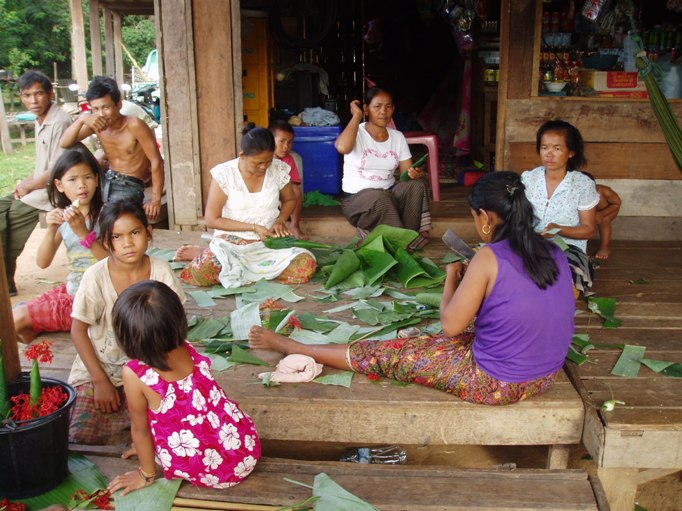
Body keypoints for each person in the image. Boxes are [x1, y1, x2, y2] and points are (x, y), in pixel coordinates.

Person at [249, 171, 576, 405]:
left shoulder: (488, 257)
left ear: (485, 217)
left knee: (390, 354)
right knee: (458, 333)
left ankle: (294, 346)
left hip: (496, 383)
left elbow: (450, 327)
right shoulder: (553, 251)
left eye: (475, 218)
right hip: (545, 376)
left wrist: (452, 277)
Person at [107, 281, 261, 495]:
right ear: (179, 321)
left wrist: (146, 473)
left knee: (147, 424)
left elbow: (140, 430)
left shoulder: (135, 374)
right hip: (242, 445)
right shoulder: (184, 346)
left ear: (125, 337)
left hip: (213, 469)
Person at [68, 200, 186, 445]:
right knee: (80, 434)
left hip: (152, 369)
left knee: (177, 421)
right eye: (117, 237)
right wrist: (100, 381)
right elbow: (78, 330)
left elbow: (175, 327)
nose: (128, 243)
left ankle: (139, 433)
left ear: (149, 232)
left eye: (135, 232)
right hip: (102, 370)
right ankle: (135, 429)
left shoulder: (161, 271)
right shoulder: (96, 277)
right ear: (105, 241)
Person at [175, 125, 317, 287]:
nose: (263, 167)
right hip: (231, 243)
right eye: (257, 163)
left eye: (268, 161)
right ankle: (211, 254)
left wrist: (280, 220)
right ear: (242, 155)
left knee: (306, 264)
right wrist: (254, 227)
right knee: (202, 272)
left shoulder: (278, 169)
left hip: (267, 242)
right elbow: (212, 220)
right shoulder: (225, 174)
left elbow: (290, 200)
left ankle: (237, 267)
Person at [13, 146, 107, 344]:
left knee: (16, 319)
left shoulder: (107, 216)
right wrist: (51, 229)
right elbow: (42, 262)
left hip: (91, 301)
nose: (81, 185)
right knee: (19, 319)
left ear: (97, 179)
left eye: (87, 177)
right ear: (59, 185)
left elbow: (114, 263)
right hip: (72, 290)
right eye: (72, 179)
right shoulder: (64, 218)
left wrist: (84, 233)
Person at [0, 70, 72, 296]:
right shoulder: (41, 120)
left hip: (53, 192)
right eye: (27, 95)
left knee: (10, 218)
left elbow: (57, 170)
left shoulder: (59, 121)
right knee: (1, 207)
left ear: (50, 93)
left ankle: (6, 283)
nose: (33, 100)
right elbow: (41, 167)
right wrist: (24, 183)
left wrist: (29, 186)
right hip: (39, 188)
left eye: (38, 94)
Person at [335, 87, 431, 250]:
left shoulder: (397, 137)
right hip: (358, 202)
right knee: (380, 198)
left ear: (393, 109)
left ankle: (404, 235)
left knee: (417, 185)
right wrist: (356, 116)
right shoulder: (356, 132)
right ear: (366, 109)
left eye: (388, 107)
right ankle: (402, 243)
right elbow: (342, 147)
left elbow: (406, 175)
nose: (383, 112)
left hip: (388, 196)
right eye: (377, 106)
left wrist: (416, 174)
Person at [59, 76, 164, 222]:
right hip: (106, 179)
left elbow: (156, 161)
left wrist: (156, 200)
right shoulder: (98, 125)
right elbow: (64, 143)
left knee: (110, 221)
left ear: (119, 105)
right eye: (95, 109)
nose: (101, 114)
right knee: (72, 149)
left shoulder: (134, 125)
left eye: (106, 107)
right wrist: (82, 119)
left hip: (129, 184)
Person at [521, 120, 599, 296]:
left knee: (561, 283)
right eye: (544, 147)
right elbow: (517, 215)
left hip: (567, 249)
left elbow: (588, 230)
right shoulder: (528, 179)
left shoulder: (582, 184)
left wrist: (559, 229)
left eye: (557, 148)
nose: (549, 154)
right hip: (530, 244)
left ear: (571, 152)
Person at [269, 120, 306, 238]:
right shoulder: (263, 157)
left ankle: (294, 226)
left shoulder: (288, 159)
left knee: (295, 190)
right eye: (282, 141)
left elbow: (294, 183)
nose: (286, 147)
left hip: (283, 198)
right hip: (265, 195)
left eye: (290, 142)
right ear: (270, 140)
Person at [581, 172, 622, 260]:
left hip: (606, 211)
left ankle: (604, 247)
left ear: (594, 187)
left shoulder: (604, 191)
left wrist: (602, 213)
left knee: (604, 220)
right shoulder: (572, 194)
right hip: (586, 214)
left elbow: (617, 203)